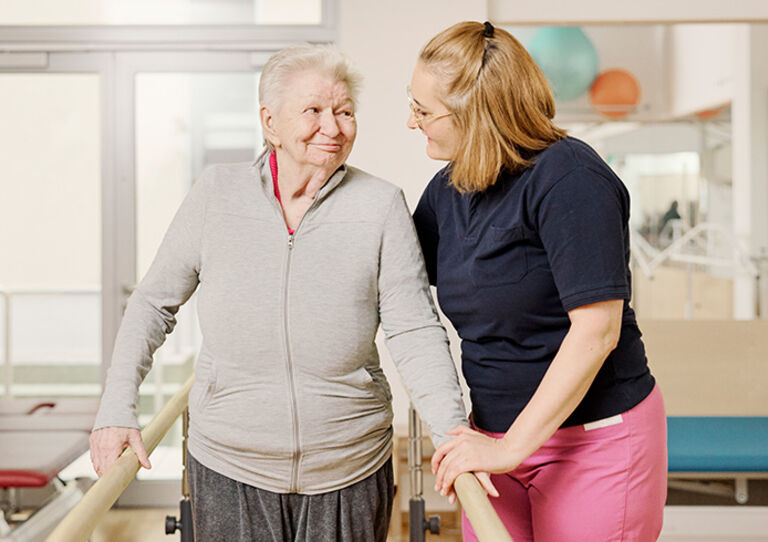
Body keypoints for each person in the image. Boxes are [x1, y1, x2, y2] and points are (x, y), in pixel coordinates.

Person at [90, 43, 468, 542]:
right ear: (270, 123)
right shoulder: (216, 195)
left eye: (345, 112)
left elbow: (415, 329)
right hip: (229, 463)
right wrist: (117, 408)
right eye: (313, 110)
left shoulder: (380, 206)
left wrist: (452, 434)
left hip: (349, 466)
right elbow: (151, 303)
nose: (332, 127)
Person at [407, 21, 667, 542]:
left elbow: (597, 332)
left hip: (592, 442)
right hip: (495, 438)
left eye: (422, 110)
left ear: (473, 113)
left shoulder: (570, 178)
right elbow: (396, 280)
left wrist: (509, 448)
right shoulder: (449, 189)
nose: (411, 122)